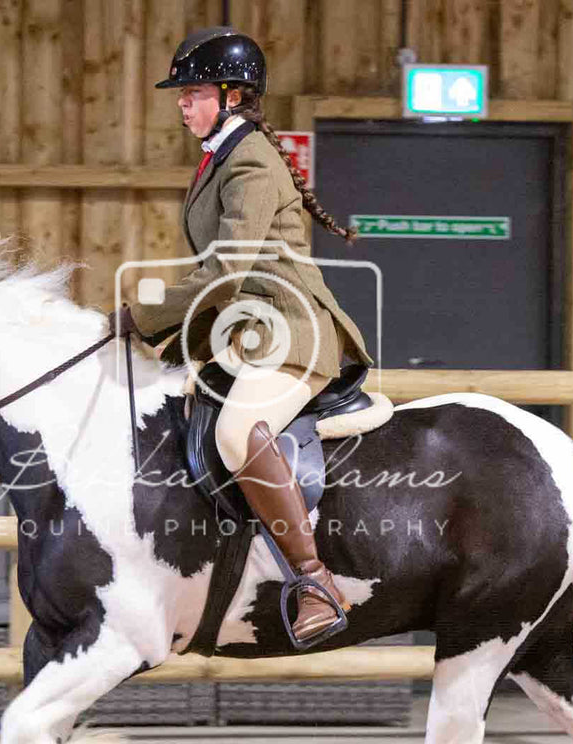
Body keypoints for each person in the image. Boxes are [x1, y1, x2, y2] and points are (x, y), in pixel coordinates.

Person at [112, 26, 375, 645]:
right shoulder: (224, 156)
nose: (182, 102)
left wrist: (146, 318)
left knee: (236, 431)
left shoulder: (250, 159)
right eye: (181, 92)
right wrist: (175, 338)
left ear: (232, 95)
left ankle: (316, 580)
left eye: (193, 91)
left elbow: (228, 268)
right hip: (250, 330)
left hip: (292, 331)